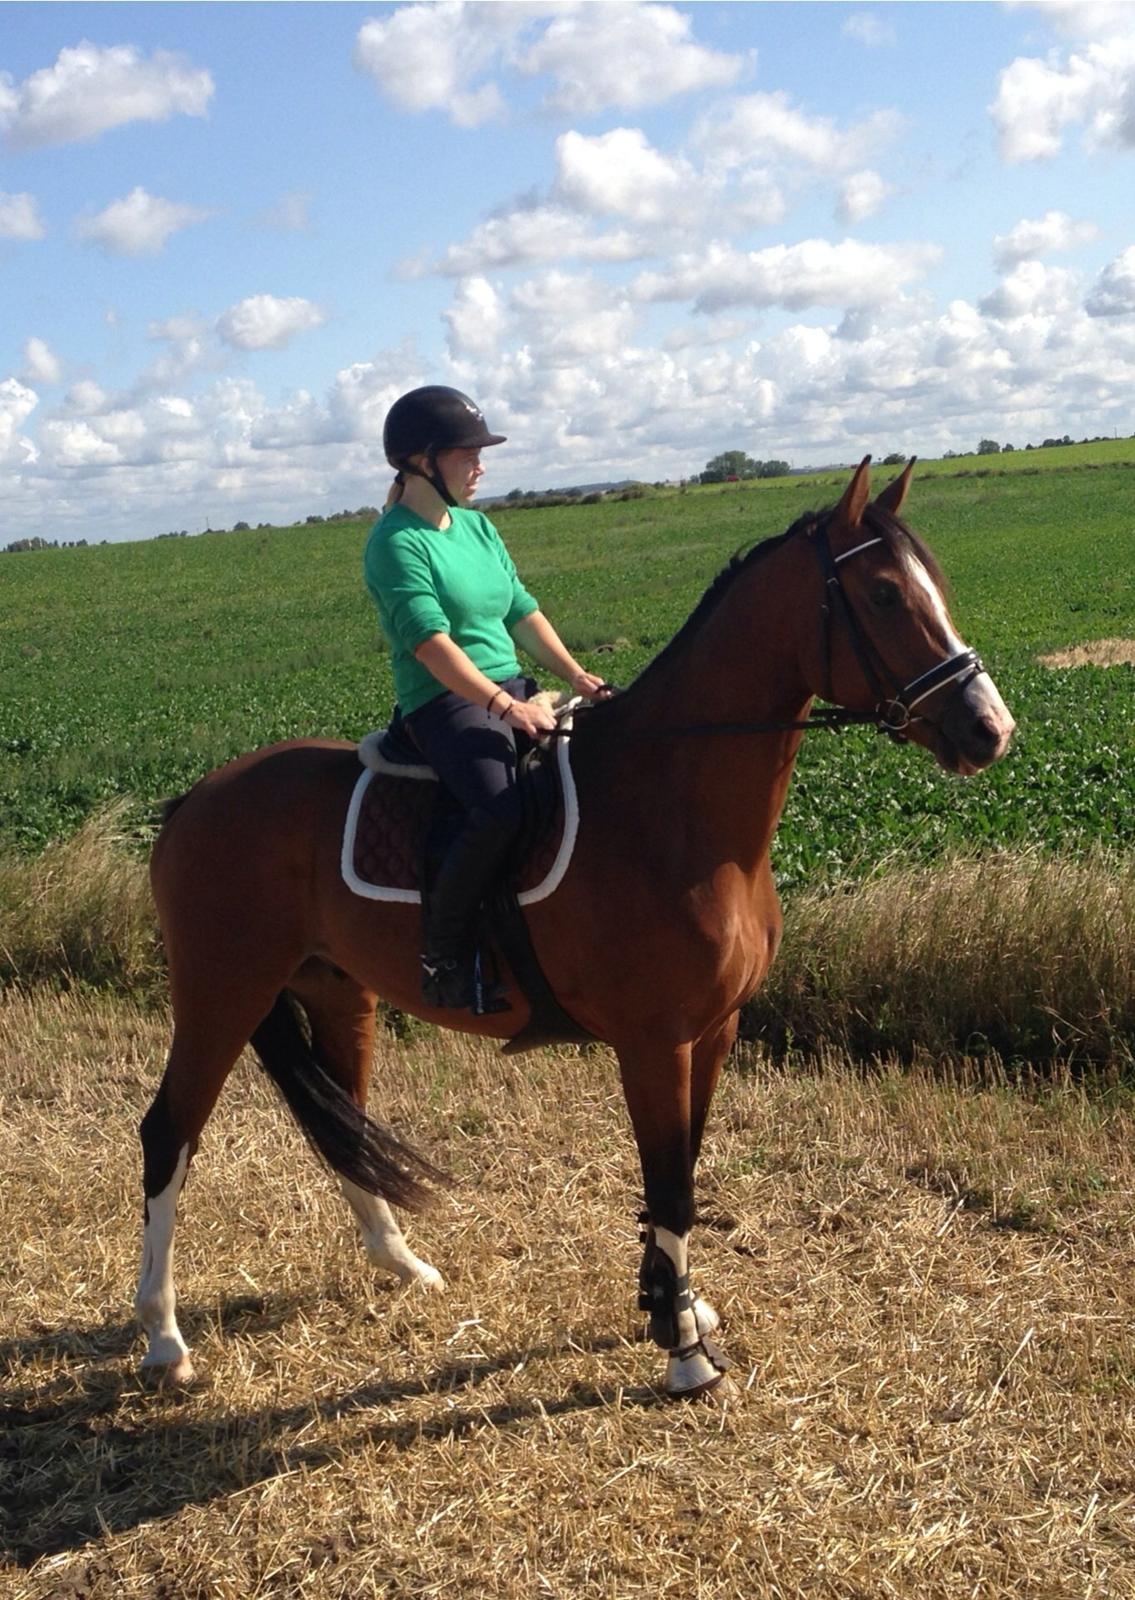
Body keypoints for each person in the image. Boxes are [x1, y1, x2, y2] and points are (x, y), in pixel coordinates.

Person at [364, 385, 610, 1011]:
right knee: (498, 808)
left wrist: (579, 678)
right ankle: (443, 957)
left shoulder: (477, 527)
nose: (481, 467)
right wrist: (506, 708)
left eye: (480, 454)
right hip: (444, 702)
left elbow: (524, 613)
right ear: (421, 462)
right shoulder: (396, 542)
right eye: (467, 454)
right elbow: (430, 645)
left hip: (512, 687)